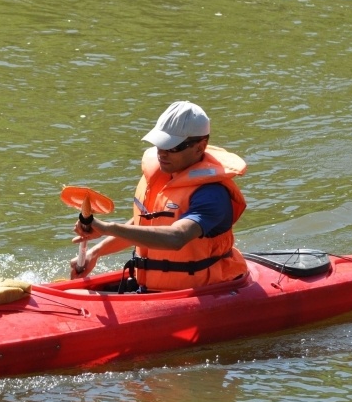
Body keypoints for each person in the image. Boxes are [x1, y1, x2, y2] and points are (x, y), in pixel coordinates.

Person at [70, 101, 248, 291]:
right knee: (69, 293)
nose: (162, 154)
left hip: (202, 291)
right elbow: (147, 224)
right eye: (159, 145)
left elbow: (176, 237)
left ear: (199, 147)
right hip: (152, 289)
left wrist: (108, 228)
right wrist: (95, 252)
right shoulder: (164, 175)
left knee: (75, 296)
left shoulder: (212, 194)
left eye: (172, 148)